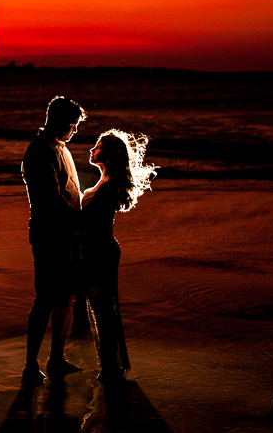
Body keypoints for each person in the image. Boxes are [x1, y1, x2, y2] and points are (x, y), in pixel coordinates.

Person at [78, 129, 158, 382]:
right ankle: (110, 363)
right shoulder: (105, 181)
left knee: (103, 307)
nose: (92, 149)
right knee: (100, 305)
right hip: (98, 247)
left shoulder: (110, 185)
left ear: (110, 155)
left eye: (98, 146)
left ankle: (110, 365)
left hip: (101, 248)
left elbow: (89, 222)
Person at [20, 95, 87, 383]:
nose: (74, 131)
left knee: (64, 298)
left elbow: (72, 194)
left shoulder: (62, 150)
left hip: (69, 234)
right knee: (46, 298)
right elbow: (52, 199)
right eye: (73, 125)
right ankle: (31, 364)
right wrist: (81, 220)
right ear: (61, 122)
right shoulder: (39, 152)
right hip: (49, 235)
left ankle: (56, 357)